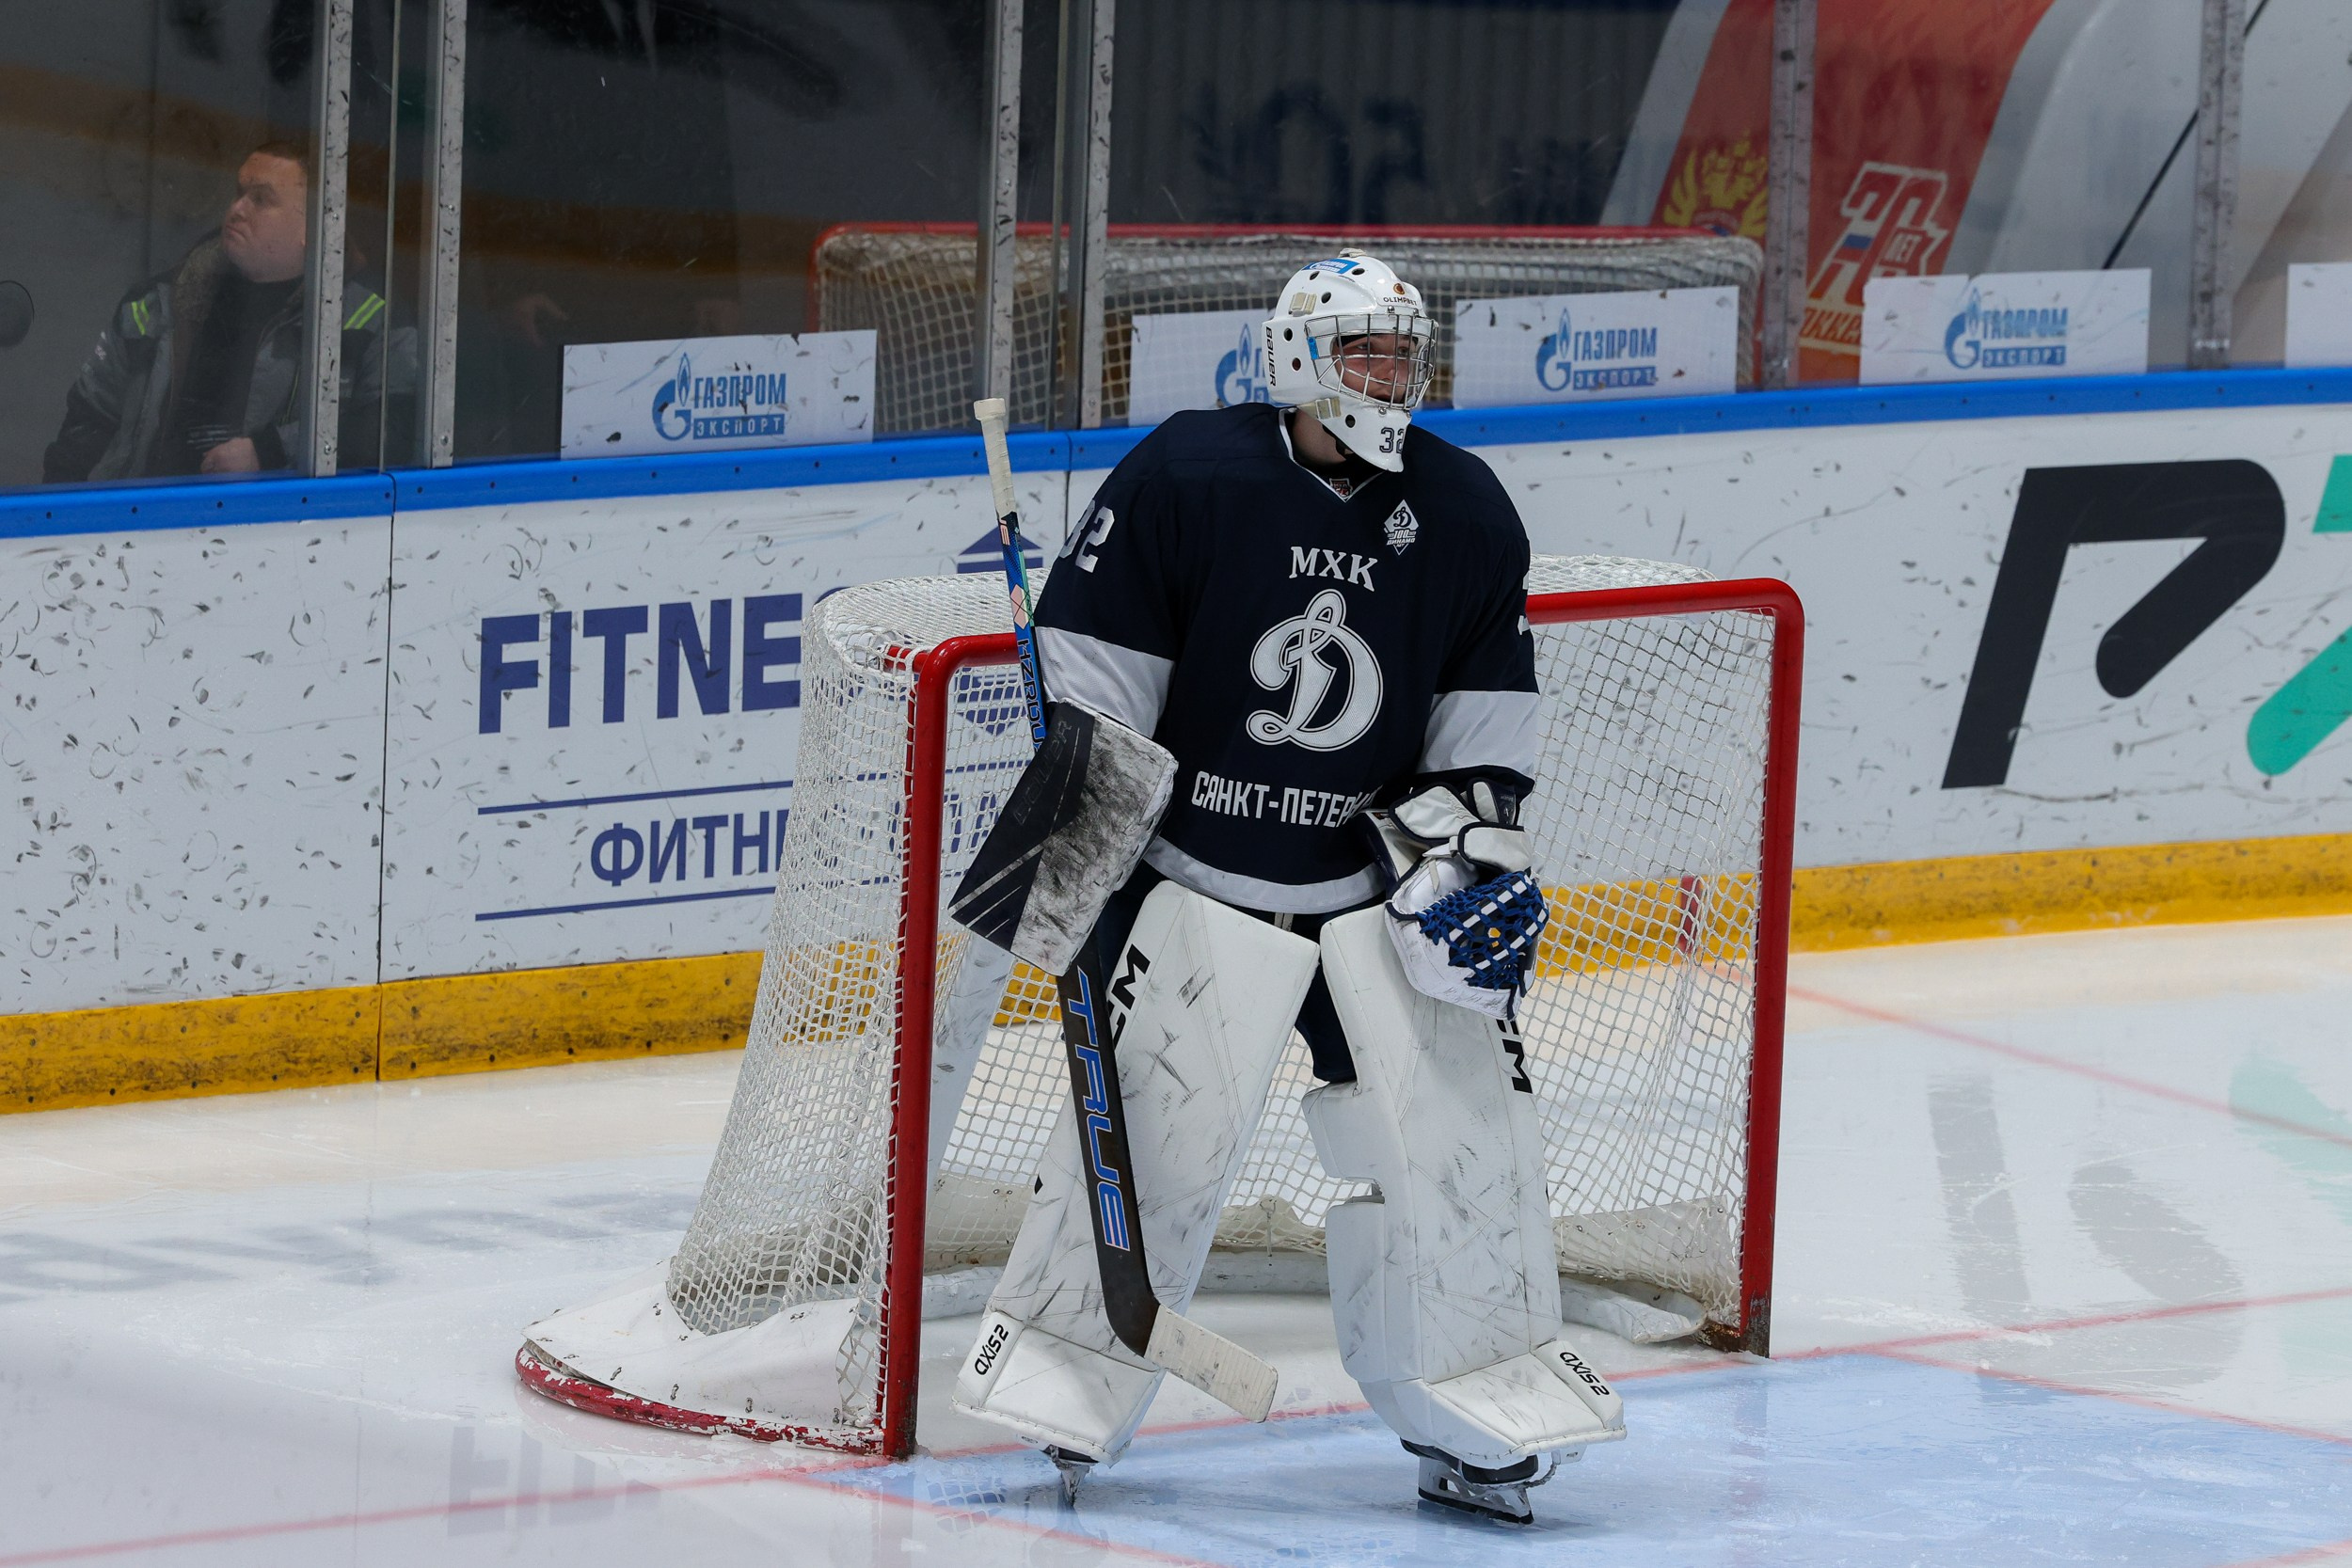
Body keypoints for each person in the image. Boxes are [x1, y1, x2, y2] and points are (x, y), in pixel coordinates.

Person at [954, 252, 1622, 1522]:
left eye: (1404, 354)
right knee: (1155, 1142)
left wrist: (1462, 860)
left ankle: (1468, 1394)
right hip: (1195, 888)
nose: (1391, 377)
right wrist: (1079, 859)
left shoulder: (1466, 509)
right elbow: (1098, 694)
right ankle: (1069, 1360)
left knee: (1454, 1148)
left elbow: (1482, 732)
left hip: (1369, 897)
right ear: (1299, 359)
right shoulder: (1189, 474)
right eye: (1366, 351)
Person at [42, 141, 402, 483]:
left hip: (278, 523)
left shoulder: (365, 321)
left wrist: (272, 451)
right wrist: (56, 513)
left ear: (314, 228)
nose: (237, 209)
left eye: (261, 199)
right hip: (149, 515)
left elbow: (392, 433)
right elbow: (87, 420)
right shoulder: (156, 304)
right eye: (238, 193)